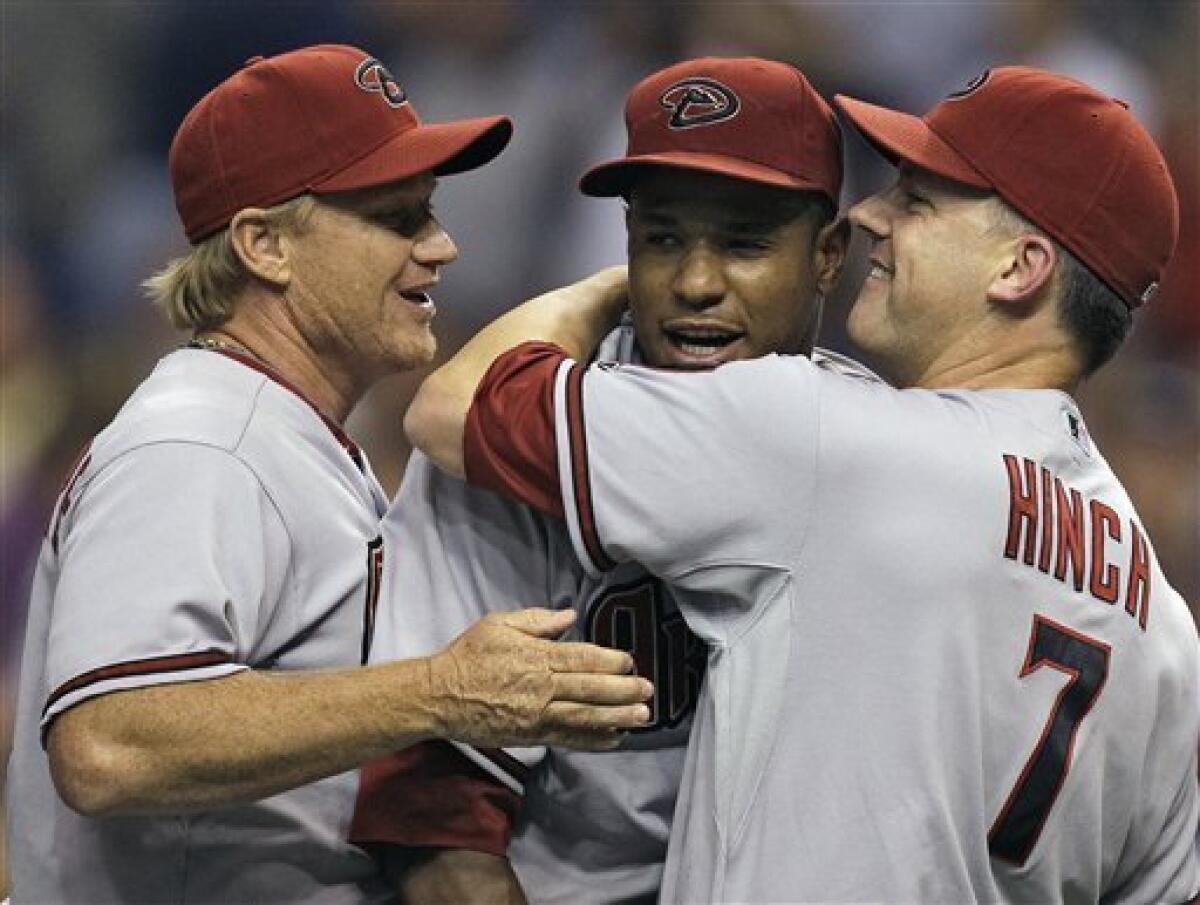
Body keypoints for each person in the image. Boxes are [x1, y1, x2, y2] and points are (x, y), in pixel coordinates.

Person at [404, 66, 1200, 903]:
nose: (869, 216)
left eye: (921, 200)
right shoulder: (1167, 630)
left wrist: (613, 290)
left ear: (1020, 267)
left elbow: (456, 406)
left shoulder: (837, 439)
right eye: (661, 237)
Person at [4, 44, 653, 905]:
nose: (442, 246)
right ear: (265, 244)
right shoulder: (198, 445)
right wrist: (439, 691)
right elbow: (106, 743)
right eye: (397, 217)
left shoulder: (278, 432)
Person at [349, 57, 857, 904]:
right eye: (662, 238)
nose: (696, 283)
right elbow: (436, 829)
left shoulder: (878, 447)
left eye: (744, 242)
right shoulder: (492, 464)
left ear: (830, 255)